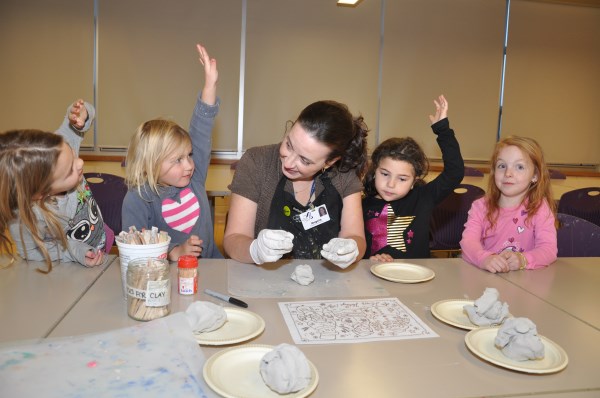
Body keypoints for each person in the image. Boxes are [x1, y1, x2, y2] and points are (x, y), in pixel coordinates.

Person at [223, 100, 369, 268]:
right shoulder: (257, 162)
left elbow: (355, 236)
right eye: (289, 145)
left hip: (325, 282)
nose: (289, 163)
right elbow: (233, 238)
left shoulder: (343, 174)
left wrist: (350, 249)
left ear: (329, 162)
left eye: (304, 160)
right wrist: (255, 250)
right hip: (262, 279)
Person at [122, 44, 222, 261]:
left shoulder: (194, 178)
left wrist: (210, 86)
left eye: (189, 155)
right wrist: (173, 251)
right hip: (168, 279)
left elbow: (201, 129)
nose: (188, 165)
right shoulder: (138, 199)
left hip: (212, 267)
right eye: (177, 160)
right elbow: (136, 250)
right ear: (150, 164)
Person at [1, 100, 109, 272]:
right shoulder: (25, 218)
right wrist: (76, 253)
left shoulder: (58, 151)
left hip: (102, 238)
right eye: (69, 171)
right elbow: (34, 252)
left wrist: (81, 113)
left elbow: (74, 122)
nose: (80, 162)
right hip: (77, 266)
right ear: (40, 193)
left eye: (73, 153)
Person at [362, 95, 464, 261]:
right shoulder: (360, 205)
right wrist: (368, 261)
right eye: (385, 174)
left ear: (413, 182)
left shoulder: (423, 198)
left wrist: (442, 130)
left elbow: (455, 172)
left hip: (416, 280)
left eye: (402, 179)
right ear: (375, 170)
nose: (391, 184)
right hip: (374, 279)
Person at [460, 136, 557, 273]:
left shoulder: (540, 207)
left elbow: (549, 249)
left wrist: (523, 259)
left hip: (526, 283)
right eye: (502, 166)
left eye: (519, 167)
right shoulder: (480, 207)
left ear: (535, 175)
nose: (508, 173)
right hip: (486, 280)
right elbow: (468, 243)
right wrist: (484, 259)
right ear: (494, 172)